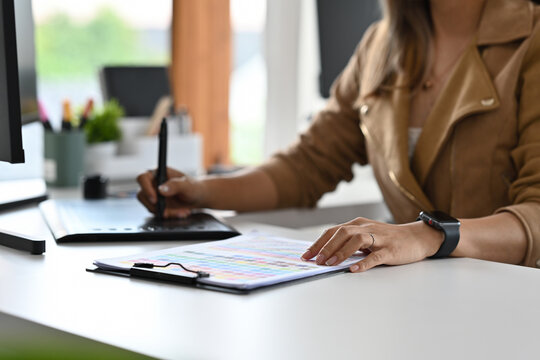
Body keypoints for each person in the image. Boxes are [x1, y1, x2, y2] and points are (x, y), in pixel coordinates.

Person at [138, 0, 540, 272]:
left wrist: (429, 236)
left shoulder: (532, 38)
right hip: (413, 298)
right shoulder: (380, 46)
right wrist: (204, 192)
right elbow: (309, 164)